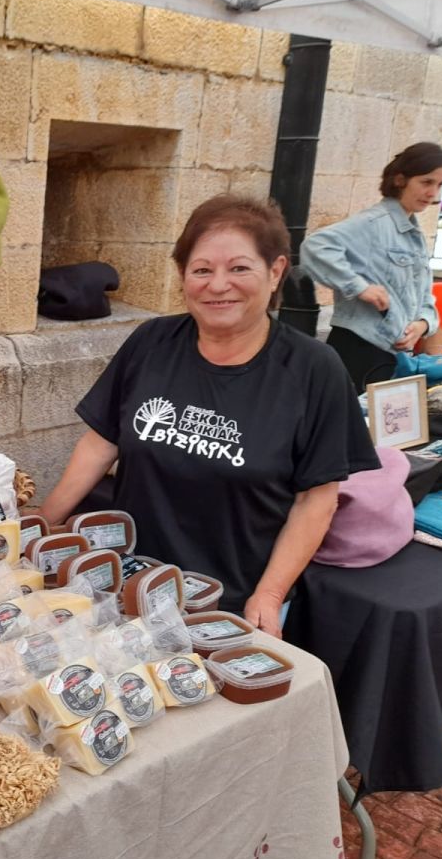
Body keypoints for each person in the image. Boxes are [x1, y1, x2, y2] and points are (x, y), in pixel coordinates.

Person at [39, 195, 378, 638]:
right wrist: (40, 528)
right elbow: (101, 443)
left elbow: (316, 499)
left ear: (275, 272)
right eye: (202, 270)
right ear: (183, 276)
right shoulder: (152, 341)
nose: (218, 285)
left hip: (227, 603)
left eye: (239, 268)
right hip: (127, 582)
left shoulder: (315, 369)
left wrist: (270, 595)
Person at [300, 142, 442, 393]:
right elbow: (315, 246)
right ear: (401, 180)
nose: (433, 192)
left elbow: (424, 293)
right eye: (426, 182)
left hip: (391, 353)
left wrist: (422, 325)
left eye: (440, 184)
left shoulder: (413, 233)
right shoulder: (373, 222)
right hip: (358, 346)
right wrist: (360, 288)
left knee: (375, 428)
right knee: (347, 426)